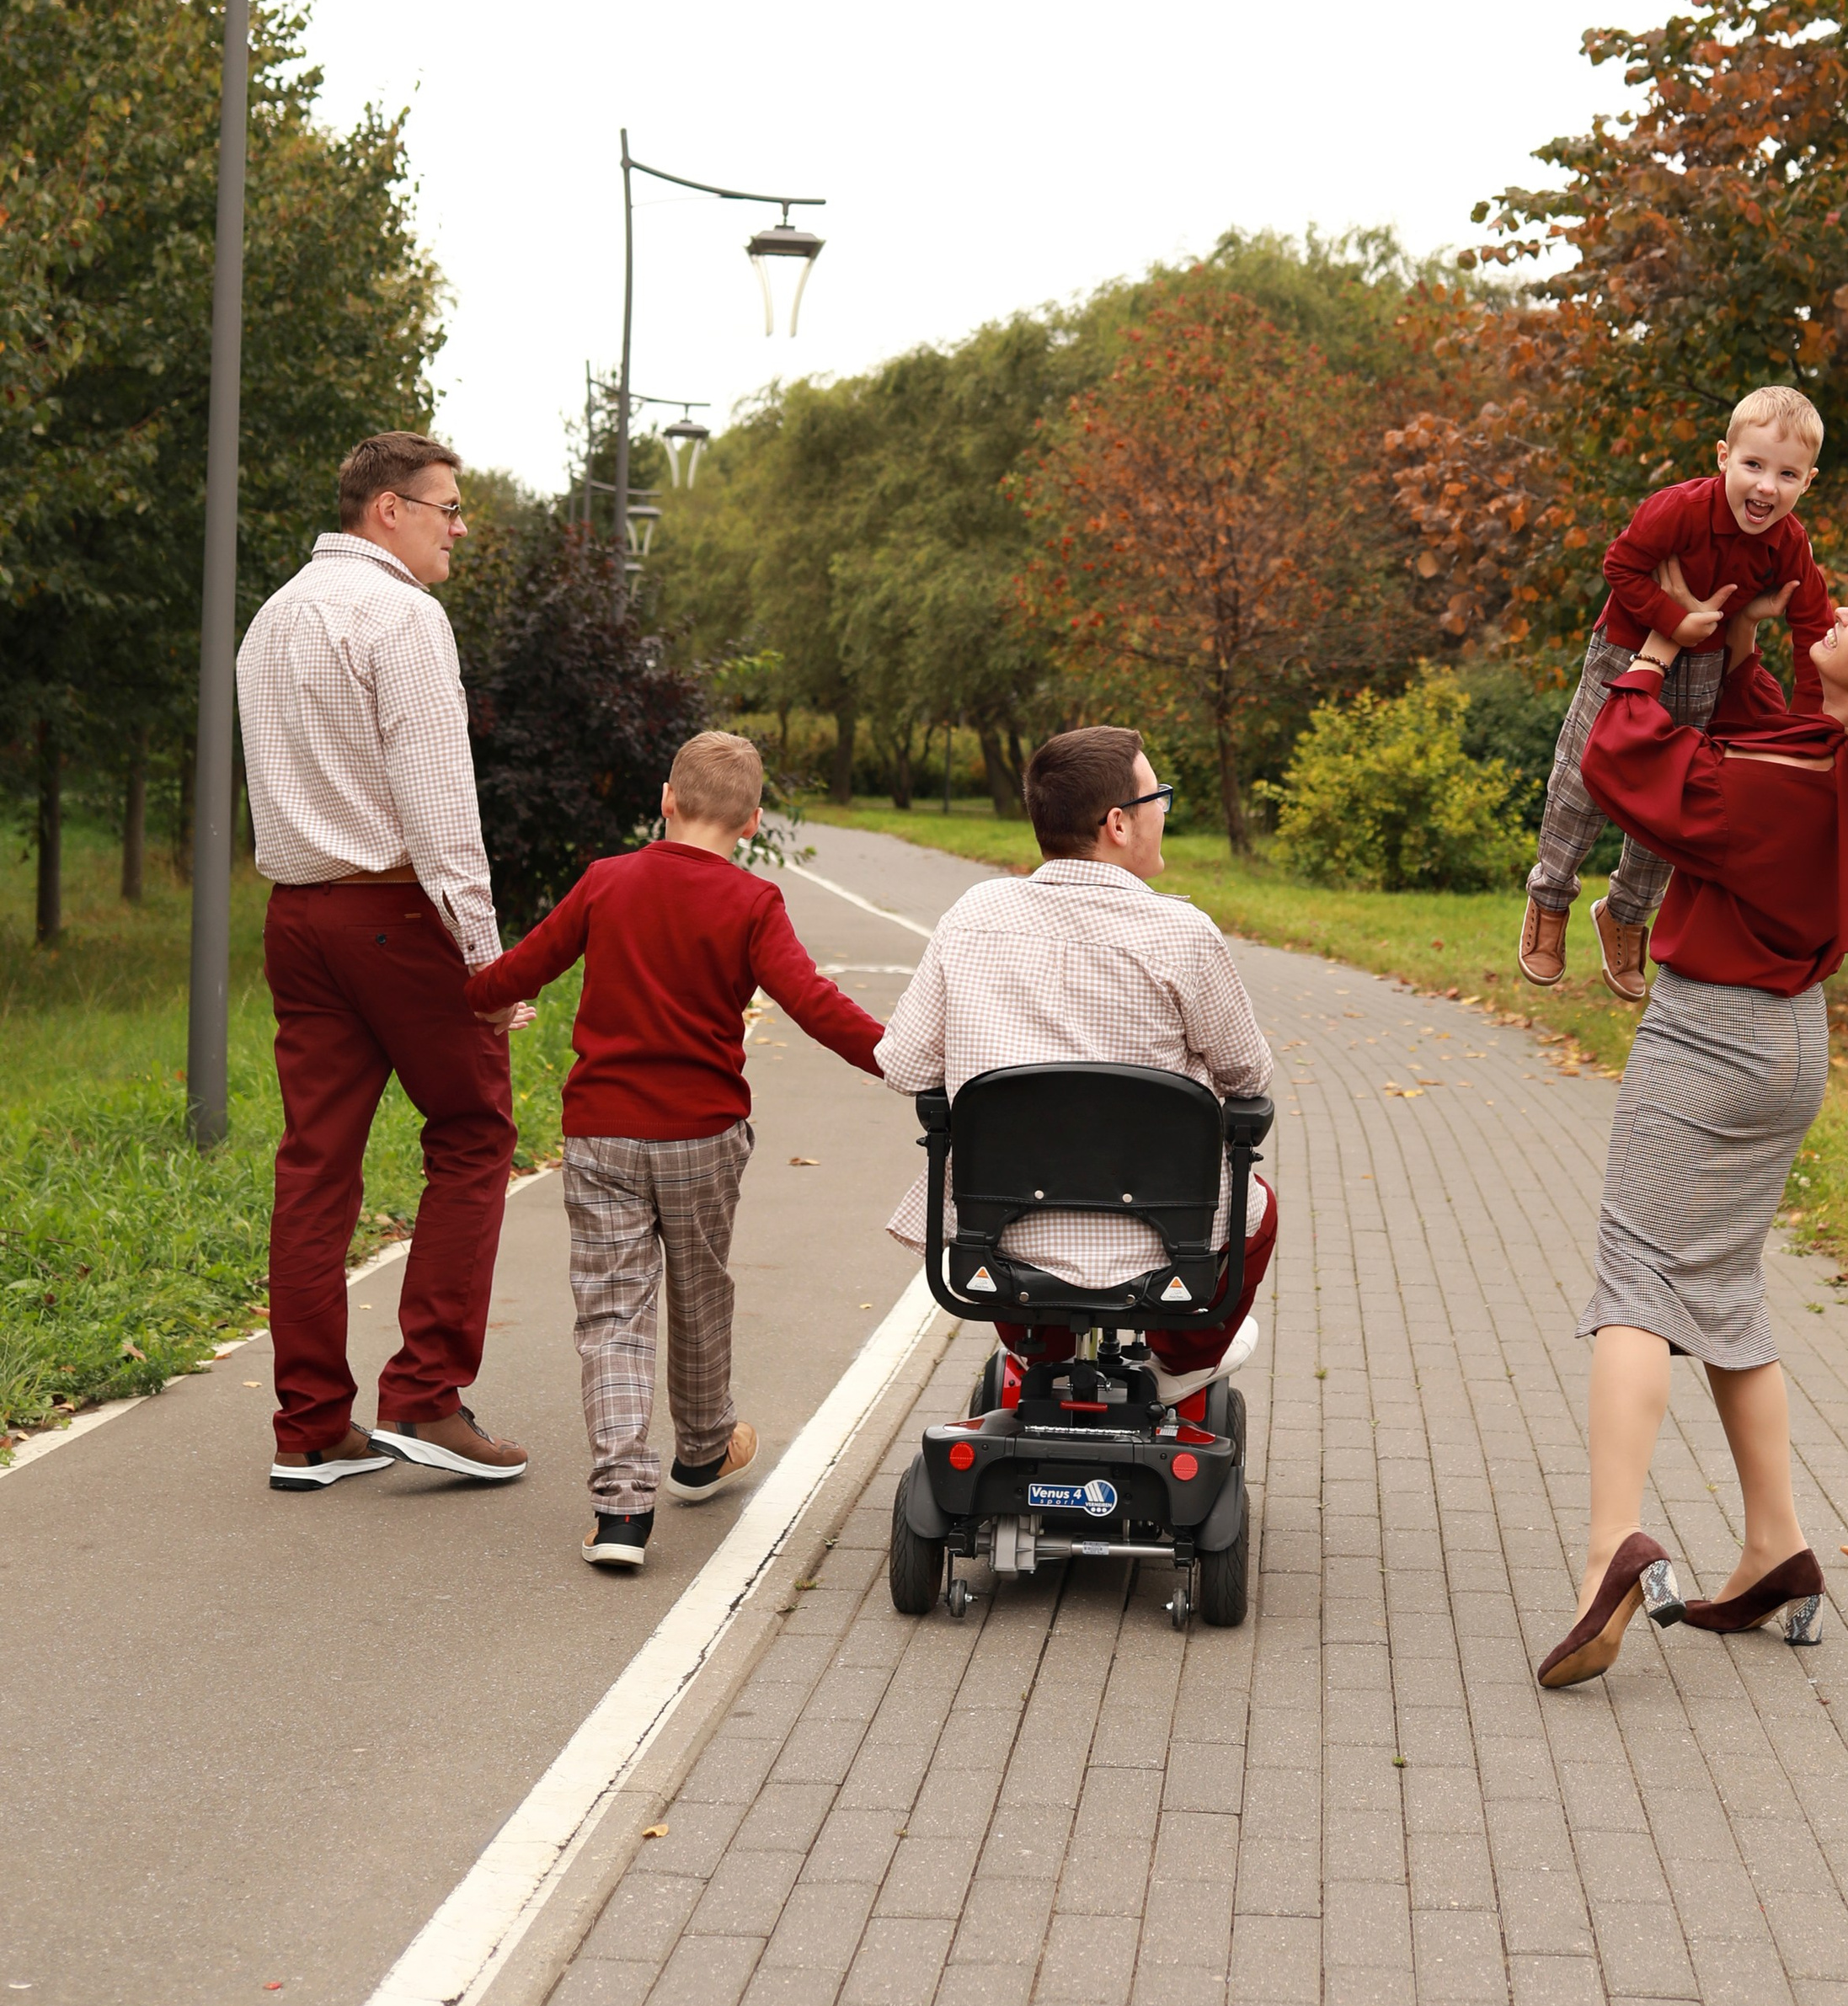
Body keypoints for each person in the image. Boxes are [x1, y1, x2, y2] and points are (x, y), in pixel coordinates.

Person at [1533, 555, 1848, 1689]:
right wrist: (1754, 616)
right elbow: (1768, 704)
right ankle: (1774, 1545)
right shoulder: (1835, 759)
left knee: (1637, 1285)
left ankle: (1609, 1549)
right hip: (1789, 1045)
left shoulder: (1788, 786)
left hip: (1711, 1040)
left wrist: (1646, 657)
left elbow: (1624, 764)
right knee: (1726, 1292)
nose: (1836, 617)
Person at [463, 731, 885, 1572]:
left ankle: (621, 1512)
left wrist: (480, 1000)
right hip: (702, 1137)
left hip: (603, 1133)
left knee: (612, 1318)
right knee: (699, 1291)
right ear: (754, 822)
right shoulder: (753, 903)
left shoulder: (608, 880)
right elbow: (812, 1002)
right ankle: (701, 1449)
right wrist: (906, 1058)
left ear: (667, 798)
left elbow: (520, 970)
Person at [237, 433, 533, 1493]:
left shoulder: (272, 618)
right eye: (447, 507)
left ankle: (311, 1425)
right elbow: (440, 807)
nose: (459, 527)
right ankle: (427, 1397)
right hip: (392, 917)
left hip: (296, 916)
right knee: (473, 1132)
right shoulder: (403, 615)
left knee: (316, 1165)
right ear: (387, 512)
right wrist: (488, 967)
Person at [876, 725, 1275, 1400]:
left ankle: (1039, 1353)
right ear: (1118, 823)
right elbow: (1248, 1077)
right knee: (1258, 1208)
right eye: (1160, 799)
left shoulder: (973, 915)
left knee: (983, 1219)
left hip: (1003, 1236)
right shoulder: (1183, 934)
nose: (1163, 814)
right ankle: (1183, 1364)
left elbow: (906, 1066)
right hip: (1161, 1238)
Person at [1519, 386, 1837, 1006]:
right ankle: (1550, 896)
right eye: (1753, 465)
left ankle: (1627, 913)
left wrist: (1809, 727)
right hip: (1626, 649)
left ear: (1808, 481)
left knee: (1672, 796)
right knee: (1583, 780)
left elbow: (1813, 625)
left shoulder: (1789, 543)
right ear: (1723, 456)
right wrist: (1673, 618)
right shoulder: (1677, 510)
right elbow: (1621, 566)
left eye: (1787, 473)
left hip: (1707, 666)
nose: (1767, 486)